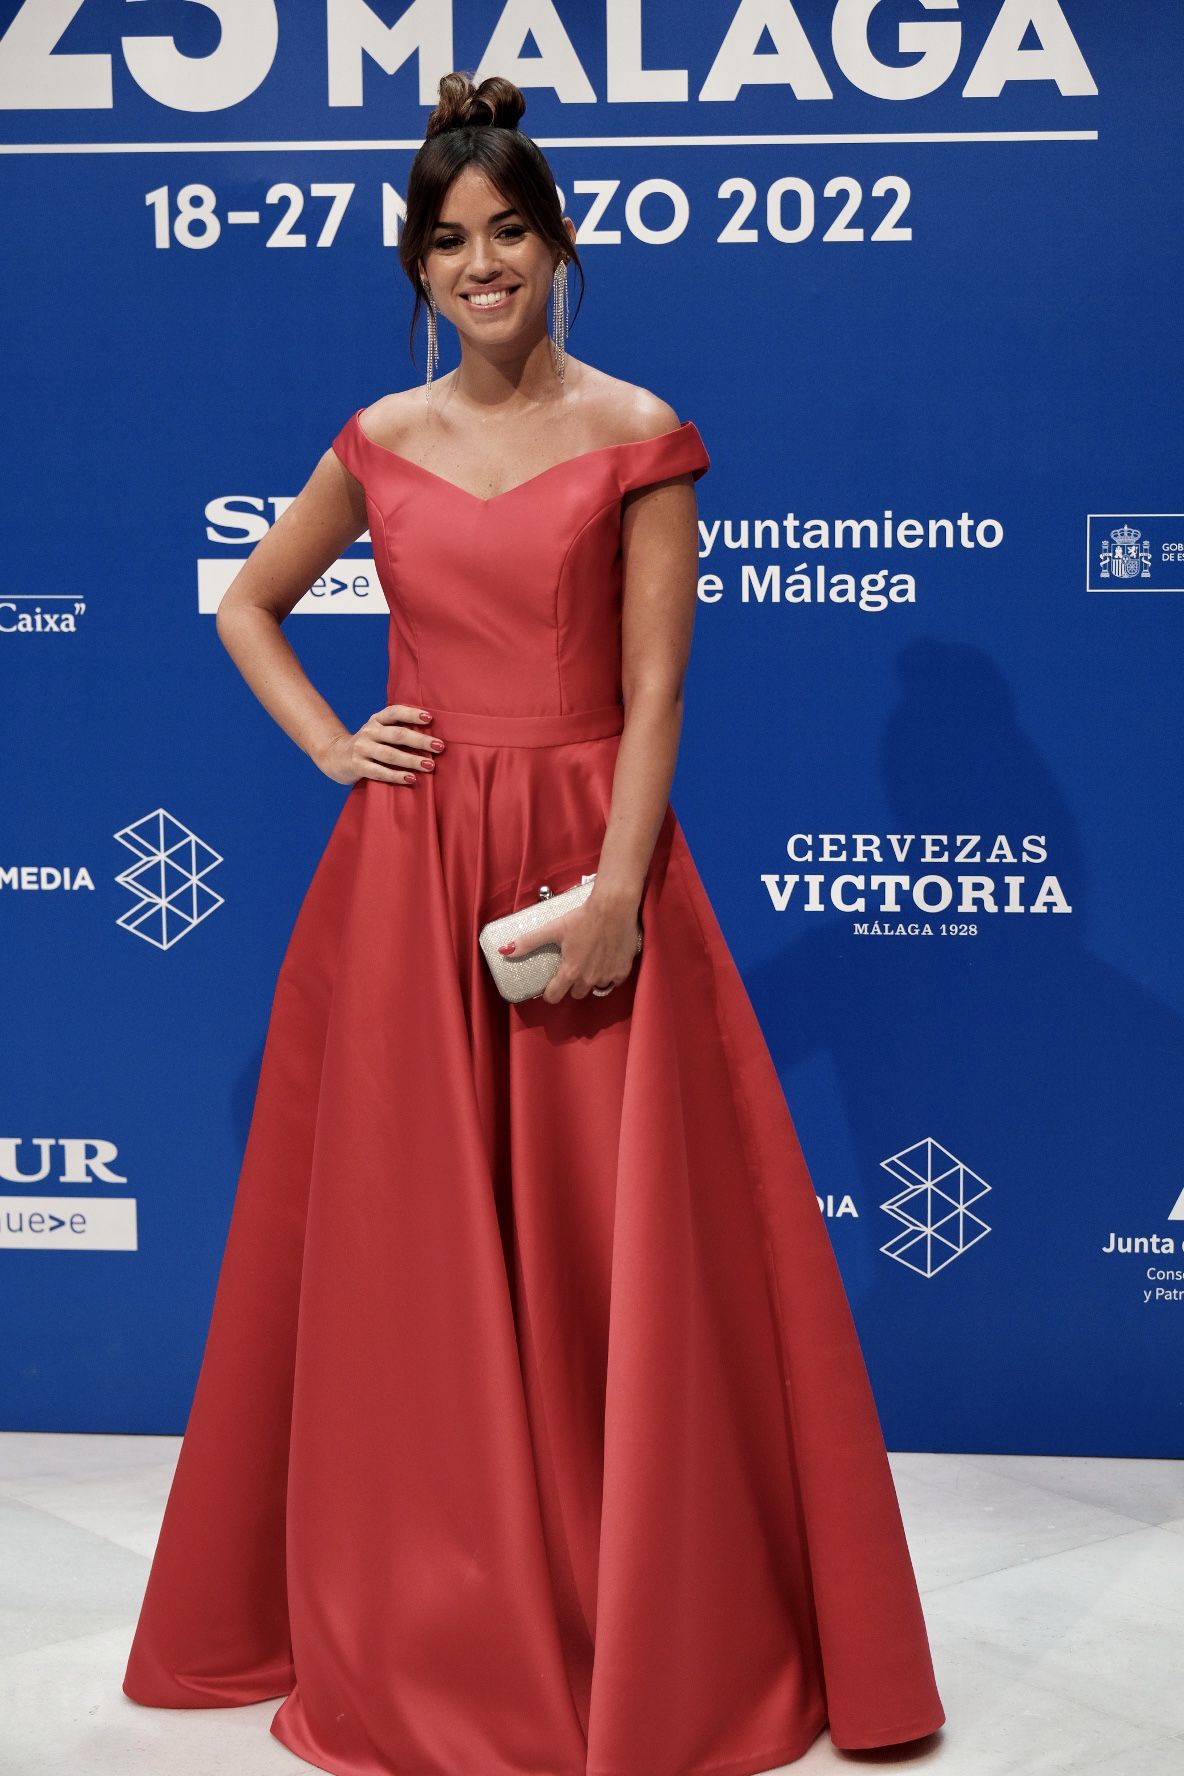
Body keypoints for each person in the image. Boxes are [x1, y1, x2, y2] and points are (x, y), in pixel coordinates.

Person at [122, 69, 946, 1776]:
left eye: (507, 234)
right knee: (414, 1261)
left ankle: (631, 1607)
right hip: (412, 872)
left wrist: (624, 898)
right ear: (415, 268)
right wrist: (339, 741)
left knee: (609, 1252)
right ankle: (449, 1607)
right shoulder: (379, 438)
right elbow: (252, 603)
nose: (480, 267)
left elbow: (653, 696)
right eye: (446, 244)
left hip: (589, 856)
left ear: (561, 242)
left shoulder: (641, 431)